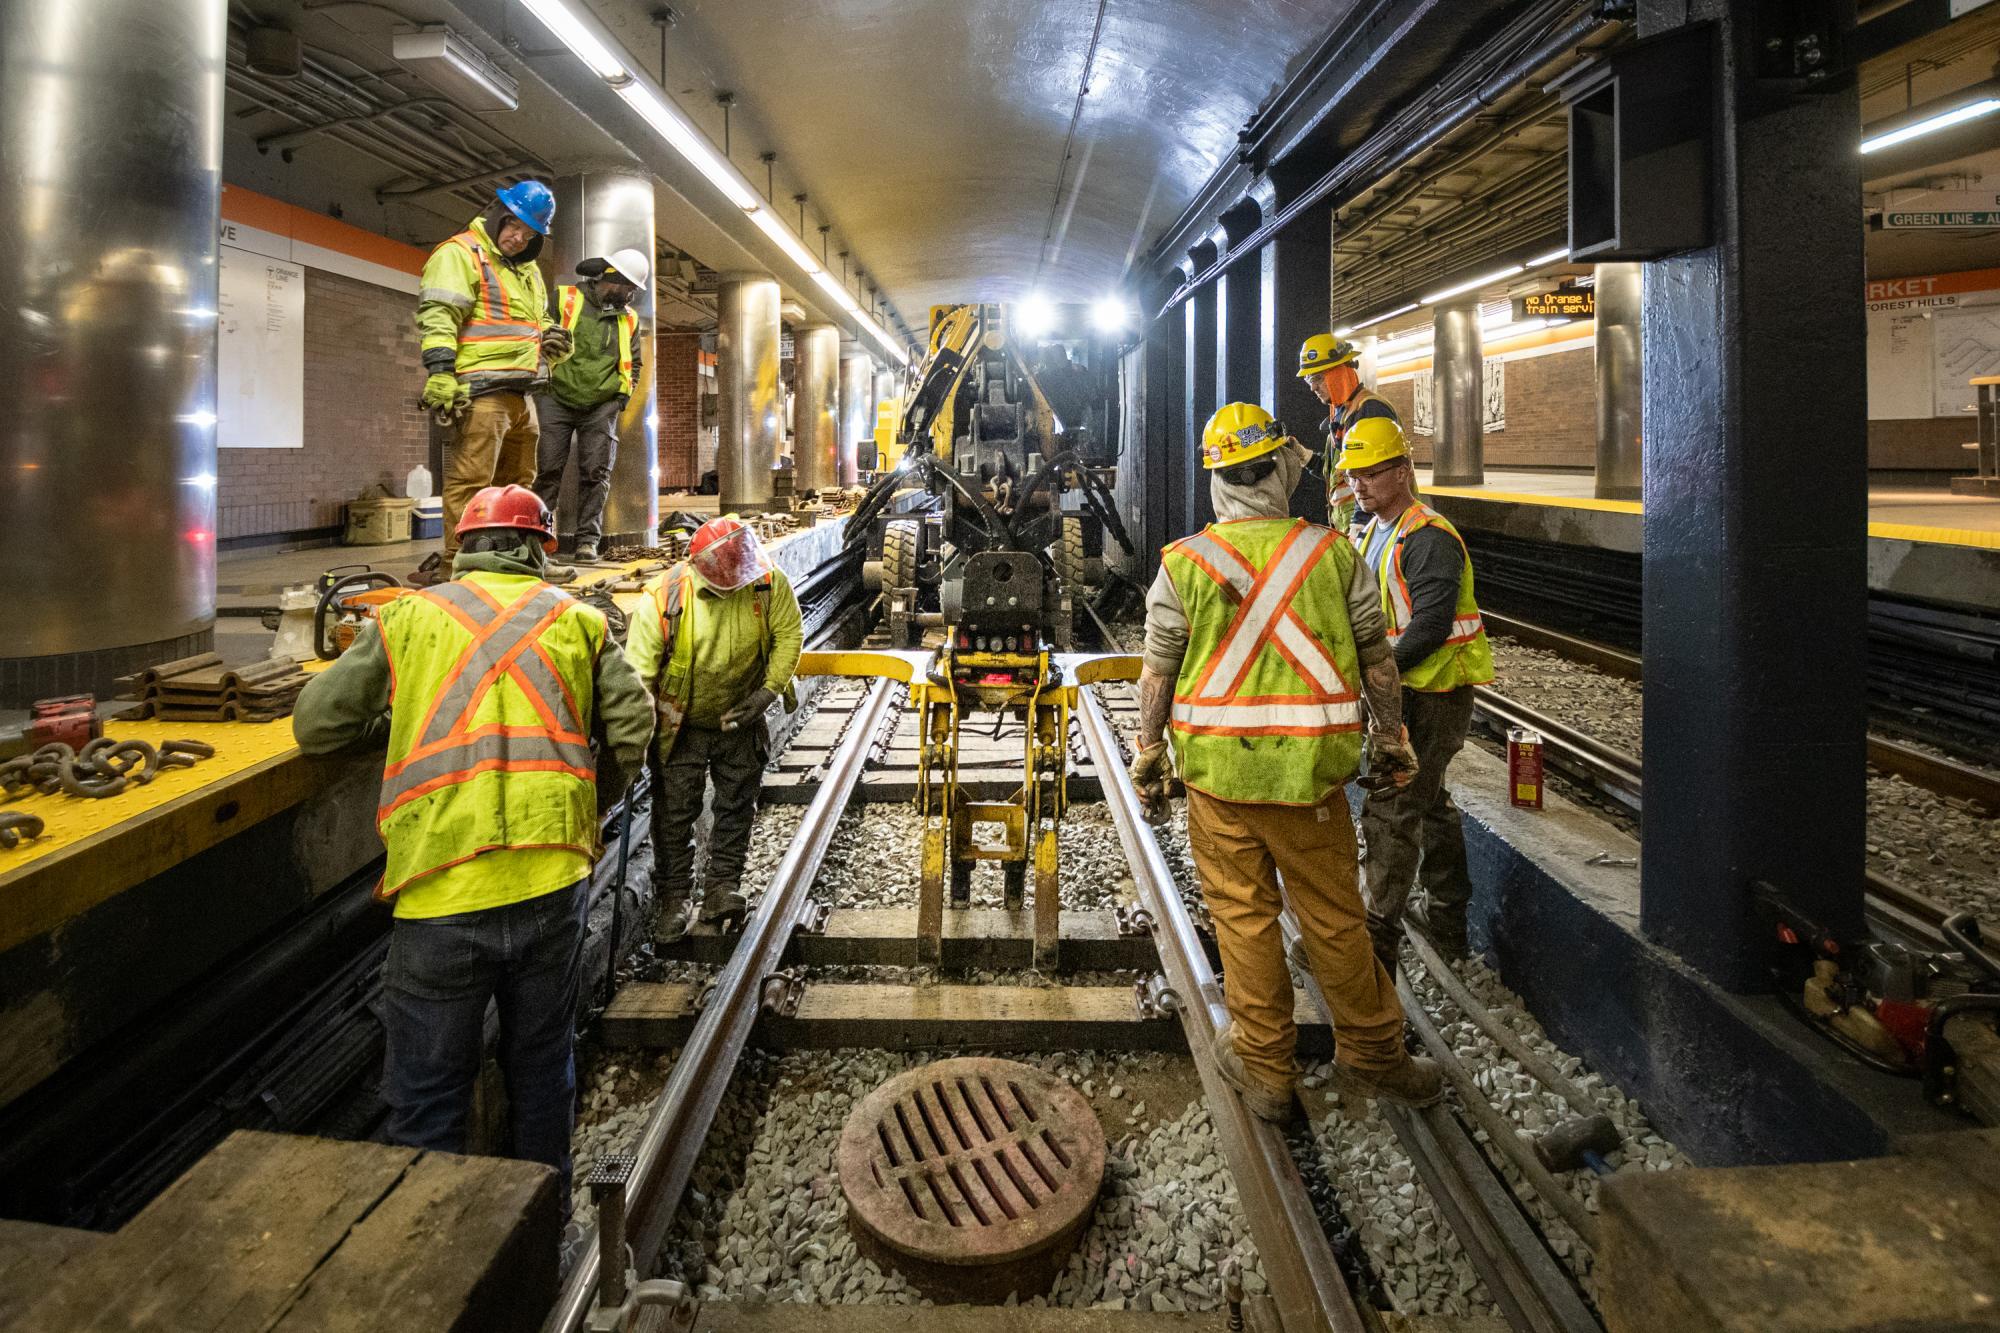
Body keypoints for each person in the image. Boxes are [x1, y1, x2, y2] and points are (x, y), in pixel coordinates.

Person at [293, 485, 654, 1196]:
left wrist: (393, 728)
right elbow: (635, 723)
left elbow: (316, 725)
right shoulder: (577, 619)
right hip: (553, 885)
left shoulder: (406, 617)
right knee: (544, 1071)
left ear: (463, 547)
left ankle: (436, 1265)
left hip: (440, 891)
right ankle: (539, 1244)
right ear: (537, 551)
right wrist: (591, 802)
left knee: (427, 1102)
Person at [1126, 402, 1440, 1120]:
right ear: (1280, 470)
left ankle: (1266, 1067)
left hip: (1220, 783)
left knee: (1244, 919)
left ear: (1217, 481)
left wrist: (1149, 752)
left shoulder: (1184, 565)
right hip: (1311, 785)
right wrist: (1392, 738)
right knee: (1335, 919)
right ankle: (1374, 1053)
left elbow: (1157, 676)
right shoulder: (1332, 553)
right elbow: (1377, 661)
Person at [1340, 416, 1495, 963]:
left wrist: (1374, 671)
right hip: (1408, 690)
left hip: (1433, 694)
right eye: (1353, 475)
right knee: (1430, 804)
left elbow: (1429, 626)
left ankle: (1374, 939)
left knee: (1394, 806)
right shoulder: (1376, 528)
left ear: (1403, 471)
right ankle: (1448, 919)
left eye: (1370, 473)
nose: (1358, 484)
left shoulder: (1427, 537)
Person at [625, 516, 802, 935]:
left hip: (742, 717)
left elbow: (789, 635)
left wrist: (766, 694)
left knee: (737, 804)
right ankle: (674, 899)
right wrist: (631, 739)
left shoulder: (766, 581)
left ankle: (723, 887)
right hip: (680, 725)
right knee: (674, 812)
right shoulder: (665, 598)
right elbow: (637, 676)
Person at [415, 180, 572, 584]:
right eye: (514, 226)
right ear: (498, 214)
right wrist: (439, 374)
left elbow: (535, 323)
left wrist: (554, 340)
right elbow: (439, 317)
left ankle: (520, 561)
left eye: (529, 232)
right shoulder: (460, 254)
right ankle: (458, 567)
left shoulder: (529, 272)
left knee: (518, 489)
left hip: (522, 393)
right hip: (481, 393)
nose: (519, 238)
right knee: (472, 483)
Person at [534, 248, 650, 564]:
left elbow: (634, 363)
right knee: (548, 469)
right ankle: (538, 541)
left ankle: (587, 541)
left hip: (601, 405)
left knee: (596, 473)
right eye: (628, 287)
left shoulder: (629, 319)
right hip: (555, 397)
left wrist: (620, 398)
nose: (630, 295)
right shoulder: (564, 299)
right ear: (611, 278)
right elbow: (537, 336)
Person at [1297, 334, 1400, 533]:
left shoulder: (1369, 411)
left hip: (1377, 526)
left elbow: (1375, 477)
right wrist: (1304, 456)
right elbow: (1340, 477)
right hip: (1357, 526)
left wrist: (1359, 525)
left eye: (1318, 378)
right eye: (1309, 380)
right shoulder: (1342, 415)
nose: (1312, 387)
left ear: (1339, 373)